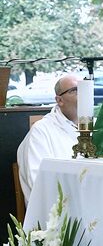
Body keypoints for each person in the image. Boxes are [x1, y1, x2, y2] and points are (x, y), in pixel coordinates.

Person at [16, 74, 80, 204]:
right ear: (59, 100)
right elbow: (38, 181)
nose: (83, 95)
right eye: (75, 90)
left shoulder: (97, 126)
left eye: (85, 90)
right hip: (56, 209)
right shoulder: (41, 131)